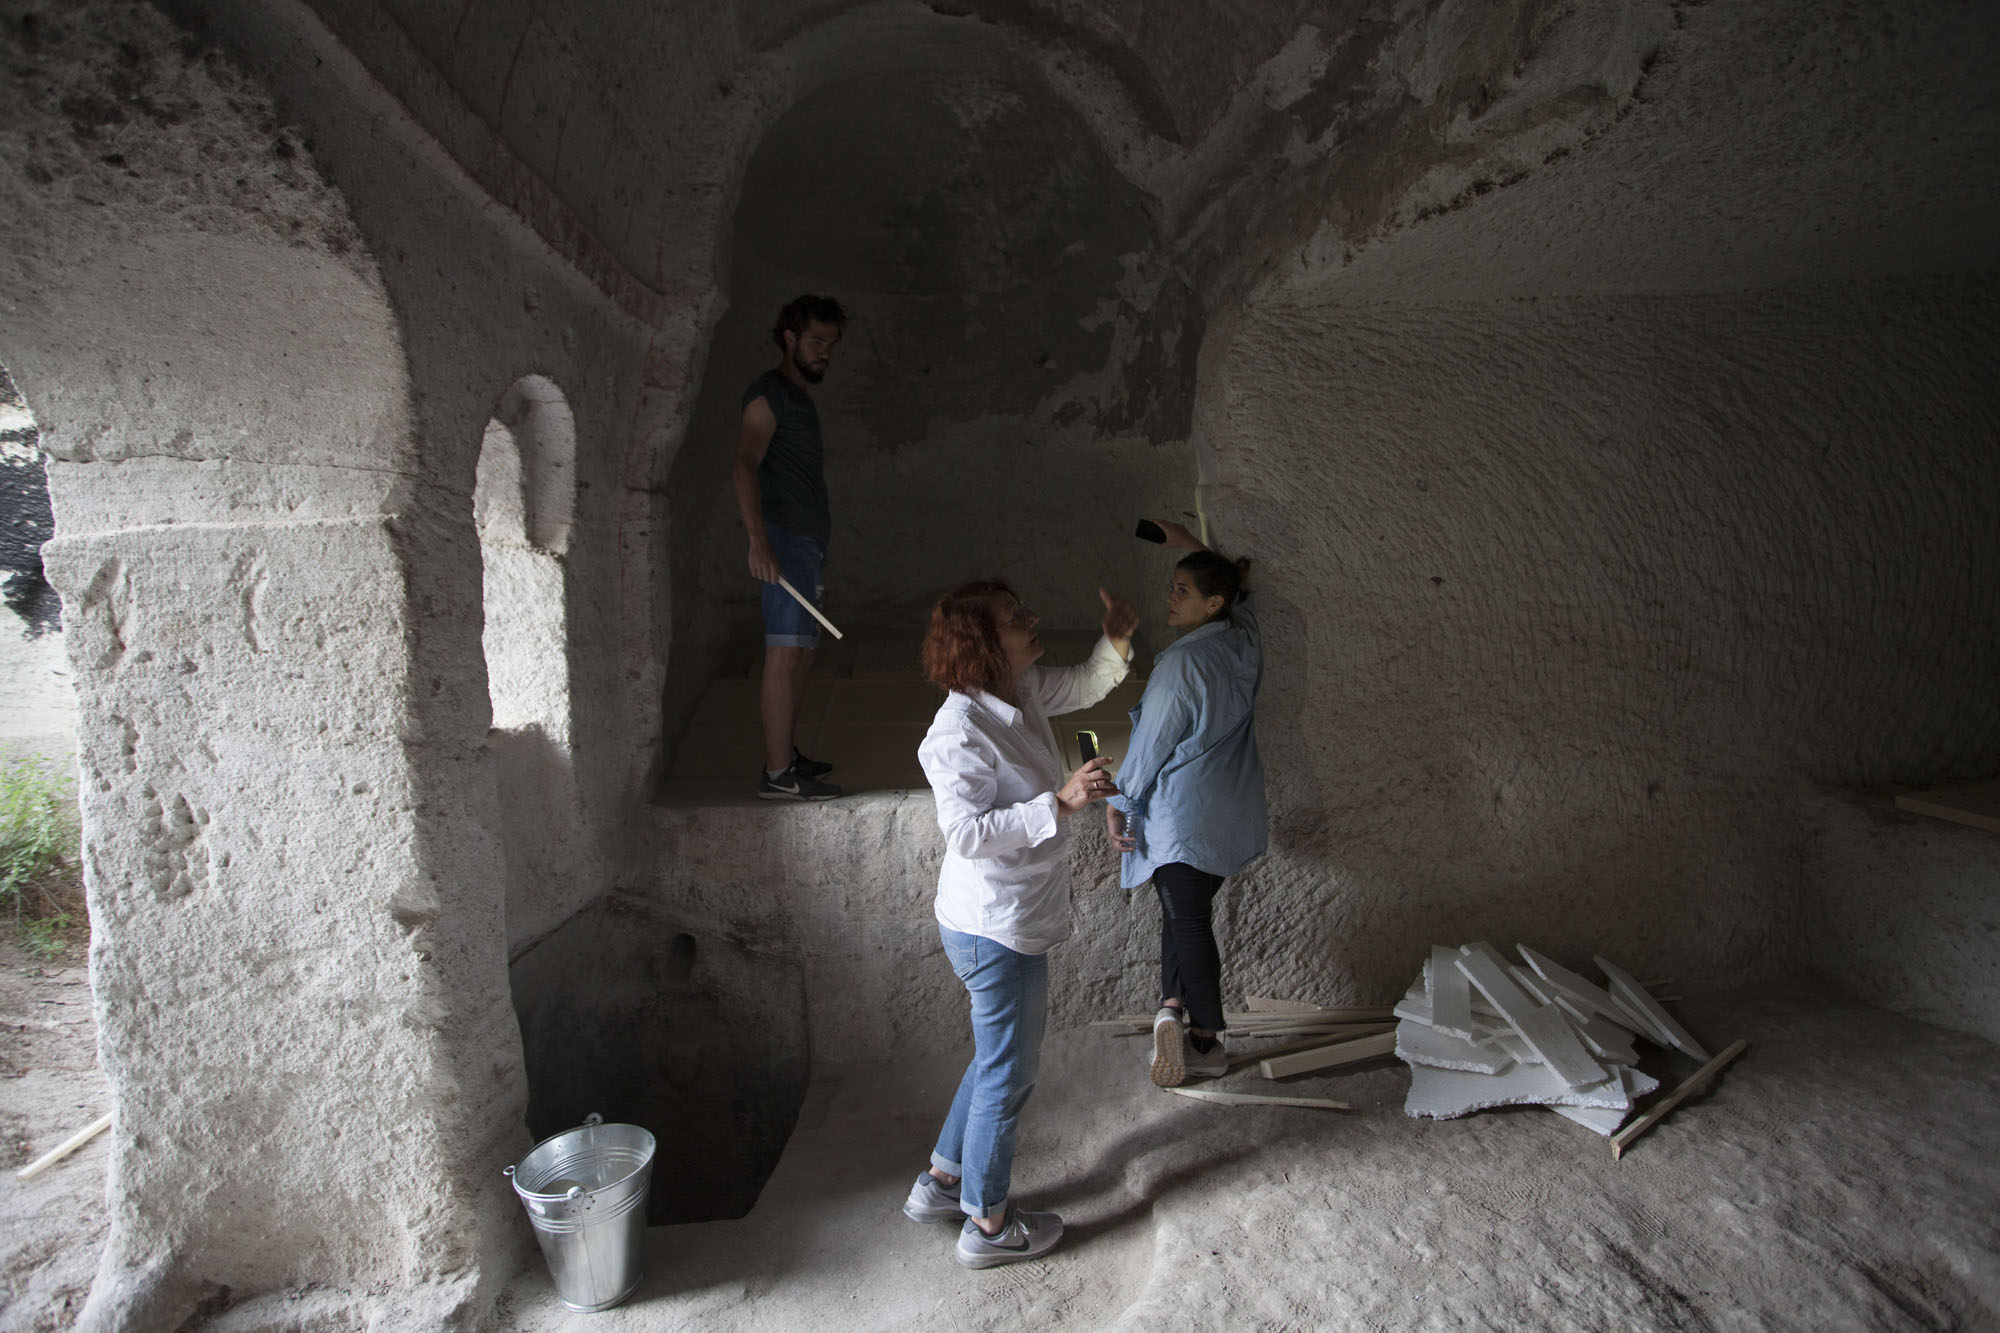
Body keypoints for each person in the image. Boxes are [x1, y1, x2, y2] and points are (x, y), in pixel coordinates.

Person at [904, 579, 1139, 1268]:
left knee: (995, 1058)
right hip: (992, 928)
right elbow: (968, 834)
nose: (1032, 620)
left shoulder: (1019, 690)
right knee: (1009, 1073)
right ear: (983, 643)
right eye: (1015, 618)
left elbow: (1088, 683)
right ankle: (987, 1222)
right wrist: (1058, 803)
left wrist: (1115, 639)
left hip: (1009, 914)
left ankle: (943, 1182)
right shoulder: (956, 732)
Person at [1106, 519, 1268, 1087]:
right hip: (1227, 814)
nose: (1170, 599)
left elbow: (1151, 745)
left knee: (1190, 923)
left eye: (1183, 591)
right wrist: (1191, 545)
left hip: (1182, 816)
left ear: (1212, 603)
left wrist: (1120, 800)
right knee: (1183, 914)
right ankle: (1170, 1007)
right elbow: (1239, 599)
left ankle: (1206, 1039)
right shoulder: (1242, 642)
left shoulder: (1180, 664)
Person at [732, 294, 848, 800]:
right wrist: (759, 540)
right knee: (784, 653)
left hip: (805, 544)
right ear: (789, 338)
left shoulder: (798, 398)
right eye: (816, 341)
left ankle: (786, 756)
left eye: (831, 344)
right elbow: (743, 463)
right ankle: (779, 775)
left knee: (801, 653)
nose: (825, 352)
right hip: (782, 539)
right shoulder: (769, 394)